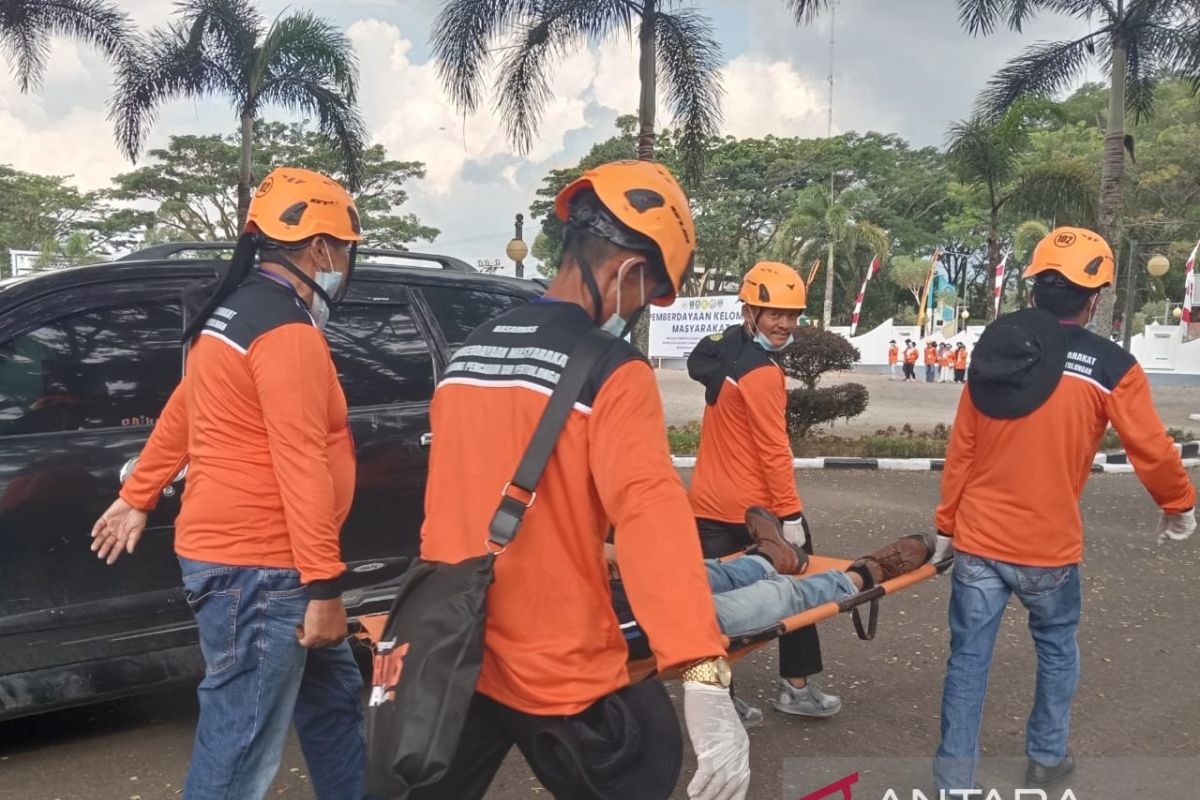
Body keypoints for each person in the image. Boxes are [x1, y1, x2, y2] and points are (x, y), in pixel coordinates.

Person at [414, 160, 750, 800]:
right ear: (629, 273)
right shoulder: (612, 369)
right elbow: (649, 513)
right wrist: (701, 668)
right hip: (560, 666)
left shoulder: (469, 353)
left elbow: (448, 500)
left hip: (459, 646)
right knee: (647, 762)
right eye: (649, 294)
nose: (639, 310)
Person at [89, 168, 367, 799]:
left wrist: (139, 494)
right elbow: (300, 459)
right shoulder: (285, 331)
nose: (346, 263)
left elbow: (184, 408)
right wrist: (324, 585)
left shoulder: (231, 314)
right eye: (346, 249)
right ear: (321, 249)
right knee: (240, 743)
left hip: (255, 566)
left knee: (332, 702)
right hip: (266, 572)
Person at [931, 227, 1197, 792]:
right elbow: (1151, 449)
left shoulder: (995, 350)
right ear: (1094, 298)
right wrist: (1179, 504)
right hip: (1047, 548)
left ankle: (954, 781)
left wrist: (946, 524)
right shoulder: (1111, 367)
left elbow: (963, 447)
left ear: (1034, 290)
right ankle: (1047, 757)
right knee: (1055, 651)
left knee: (967, 660)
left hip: (977, 540)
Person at [687, 261, 842, 722]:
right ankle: (796, 688)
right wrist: (790, 515)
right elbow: (774, 449)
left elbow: (700, 356)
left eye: (792, 315)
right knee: (802, 589)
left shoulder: (725, 348)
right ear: (749, 311)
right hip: (759, 511)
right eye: (775, 313)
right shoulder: (763, 373)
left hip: (707, 504)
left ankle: (717, 699)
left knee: (706, 608)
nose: (785, 324)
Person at [607, 510, 933, 638]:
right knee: (780, 594)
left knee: (702, 572)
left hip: (614, 592)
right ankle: (866, 573)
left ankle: (770, 557)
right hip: (648, 622)